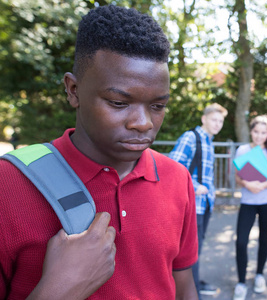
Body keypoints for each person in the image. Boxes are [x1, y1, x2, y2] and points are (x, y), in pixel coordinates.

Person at [0, 5, 199, 299]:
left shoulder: (176, 178)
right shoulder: (8, 184)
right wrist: (58, 289)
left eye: (157, 106)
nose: (143, 123)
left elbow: (183, 285)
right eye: (119, 103)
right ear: (73, 90)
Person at [169, 103, 228, 298]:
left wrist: (211, 192)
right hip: (191, 205)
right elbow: (174, 168)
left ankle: (193, 283)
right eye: (214, 119)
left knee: (195, 248)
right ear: (204, 119)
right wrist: (195, 187)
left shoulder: (208, 141)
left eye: (220, 121)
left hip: (205, 204)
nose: (217, 124)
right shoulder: (191, 138)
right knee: (189, 250)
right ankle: (190, 292)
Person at [233, 115, 267, 300]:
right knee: (241, 242)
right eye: (256, 131)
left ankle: (260, 274)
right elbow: (238, 177)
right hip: (248, 202)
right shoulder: (242, 150)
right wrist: (247, 184)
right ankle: (241, 282)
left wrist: (260, 186)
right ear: (251, 131)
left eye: (263, 132)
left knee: (264, 239)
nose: (259, 135)